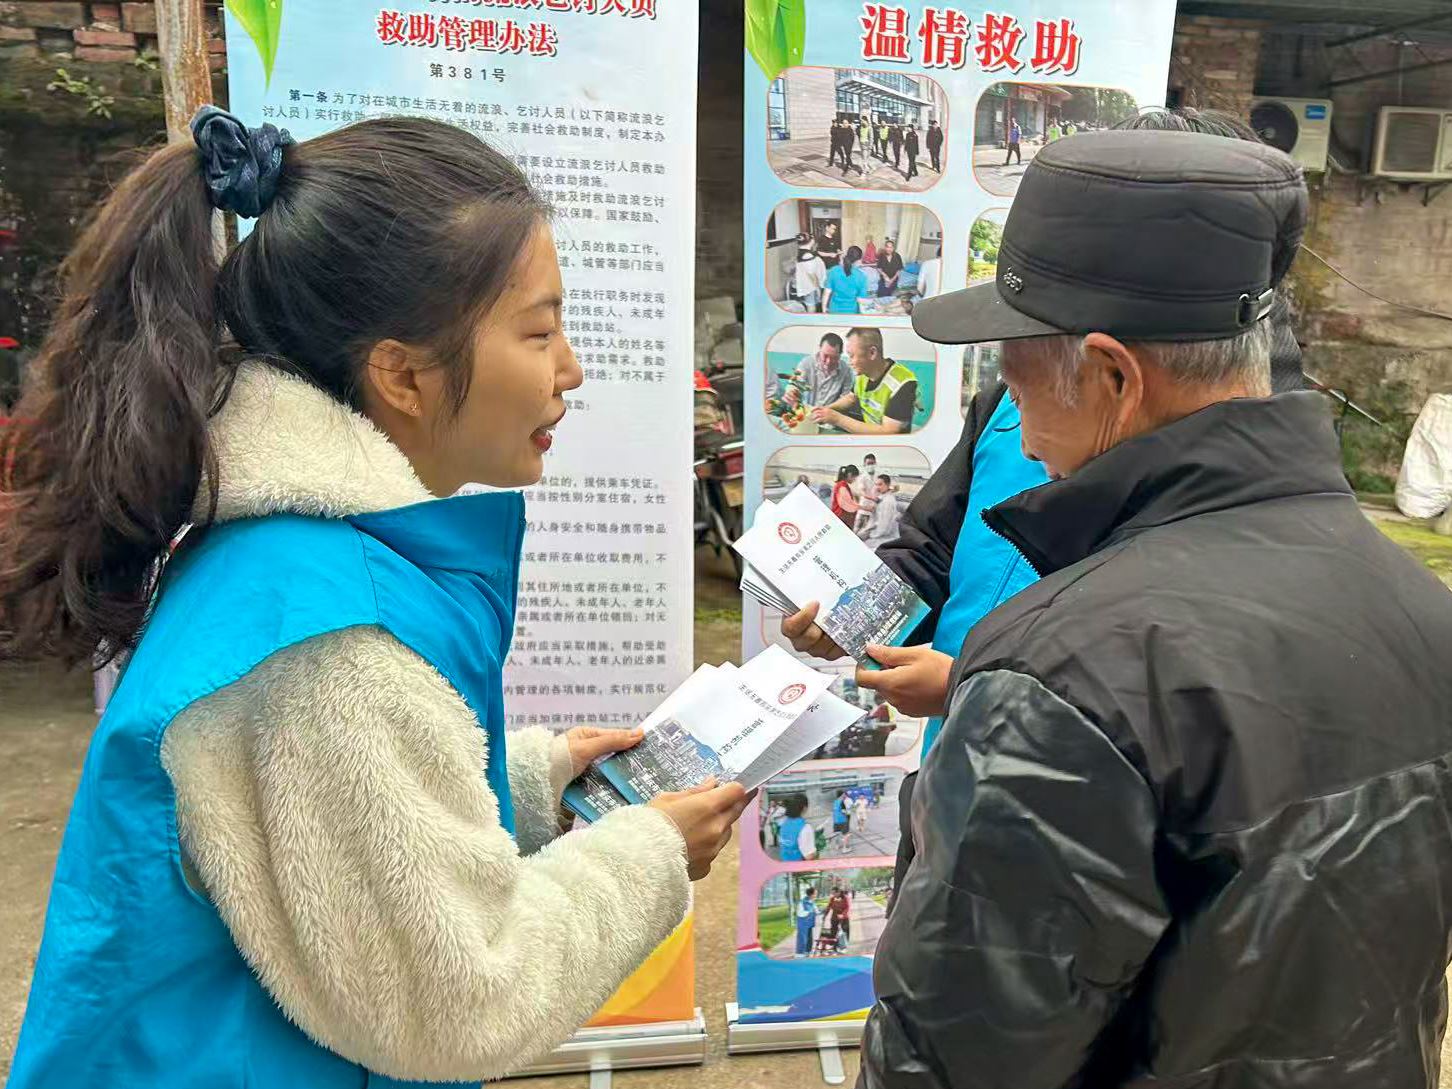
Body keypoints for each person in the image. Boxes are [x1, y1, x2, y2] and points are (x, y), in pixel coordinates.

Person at [0, 110, 754, 1088]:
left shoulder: (293, 564)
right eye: (539, 331)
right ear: (401, 373)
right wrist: (647, 852)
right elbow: (459, 1001)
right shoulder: (336, 648)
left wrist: (532, 780)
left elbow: (312, 825)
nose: (570, 370)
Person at [852, 131, 1452, 1089]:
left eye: (1015, 379)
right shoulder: (1420, 606)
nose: (1016, 428)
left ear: (1114, 377)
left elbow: (954, 1060)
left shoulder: (1063, 672)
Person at [781, 110, 1313, 905]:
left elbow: (1187, 691)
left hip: (1068, 814)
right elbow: (931, 544)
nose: (1031, 442)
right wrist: (855, 614)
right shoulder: (1017, 396)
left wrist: (969, 683)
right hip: (963, 766)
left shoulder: (1256, 454)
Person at [812, 327, 919, 435]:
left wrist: (836, 418)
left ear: (872, 353)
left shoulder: (904, 383)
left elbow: (890, 431)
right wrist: (827, 409)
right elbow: (851, 398)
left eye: (852, 356)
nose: (849, 362)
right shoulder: (863, 373)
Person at [785, 331, 854, 409]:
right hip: (806, 411)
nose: (828, 362)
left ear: (840, 354)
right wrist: (792, 392)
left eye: (834, 357)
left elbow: (845, 400)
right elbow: (795, 384)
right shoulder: (806, 363)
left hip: (832, 412)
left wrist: (826, 411)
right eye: (825, 356)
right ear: (819, 348)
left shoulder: (847, 371)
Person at [857, 474, 901, 551]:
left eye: (880, 484)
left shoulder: (887, 502)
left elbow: (884, 527)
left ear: (888, 485)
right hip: (877, 531)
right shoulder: (880, 498)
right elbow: (875, 519)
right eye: (876, 484)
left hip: (883, 536)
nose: (877, 487)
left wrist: (869, 535)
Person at [823, 245, 870, 315]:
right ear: (859, 260)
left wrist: (824, 309)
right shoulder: (861, 276)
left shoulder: (834, 270)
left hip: (834, 311)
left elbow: (826, 293)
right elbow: (860, 300)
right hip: (851, 312)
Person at [791, 234, 827, 313]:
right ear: (811, 241)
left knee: (810, 304)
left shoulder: (801, 252)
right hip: (810, 285)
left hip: (807, 283)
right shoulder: (807, 255)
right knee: (811, 306)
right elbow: (811, 273)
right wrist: (817, 287)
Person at [777, 794, 817, 862]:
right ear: (804, 808)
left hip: (785, 864)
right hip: (799, 866)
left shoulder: (784, 824)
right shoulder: (805, 827)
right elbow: (809, 856)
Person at [794, 885, 818, 957]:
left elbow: (816, 911)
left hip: (810, 923)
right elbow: (799, 913)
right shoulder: (802, 902)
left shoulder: (812, 902)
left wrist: (821, 911)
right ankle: (800, 953)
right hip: (803, 924)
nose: (816, 895)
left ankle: (808, 951)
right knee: (802, 938)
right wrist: (810, 912)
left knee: (809, 938)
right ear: (811, 894)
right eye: (815, 894)